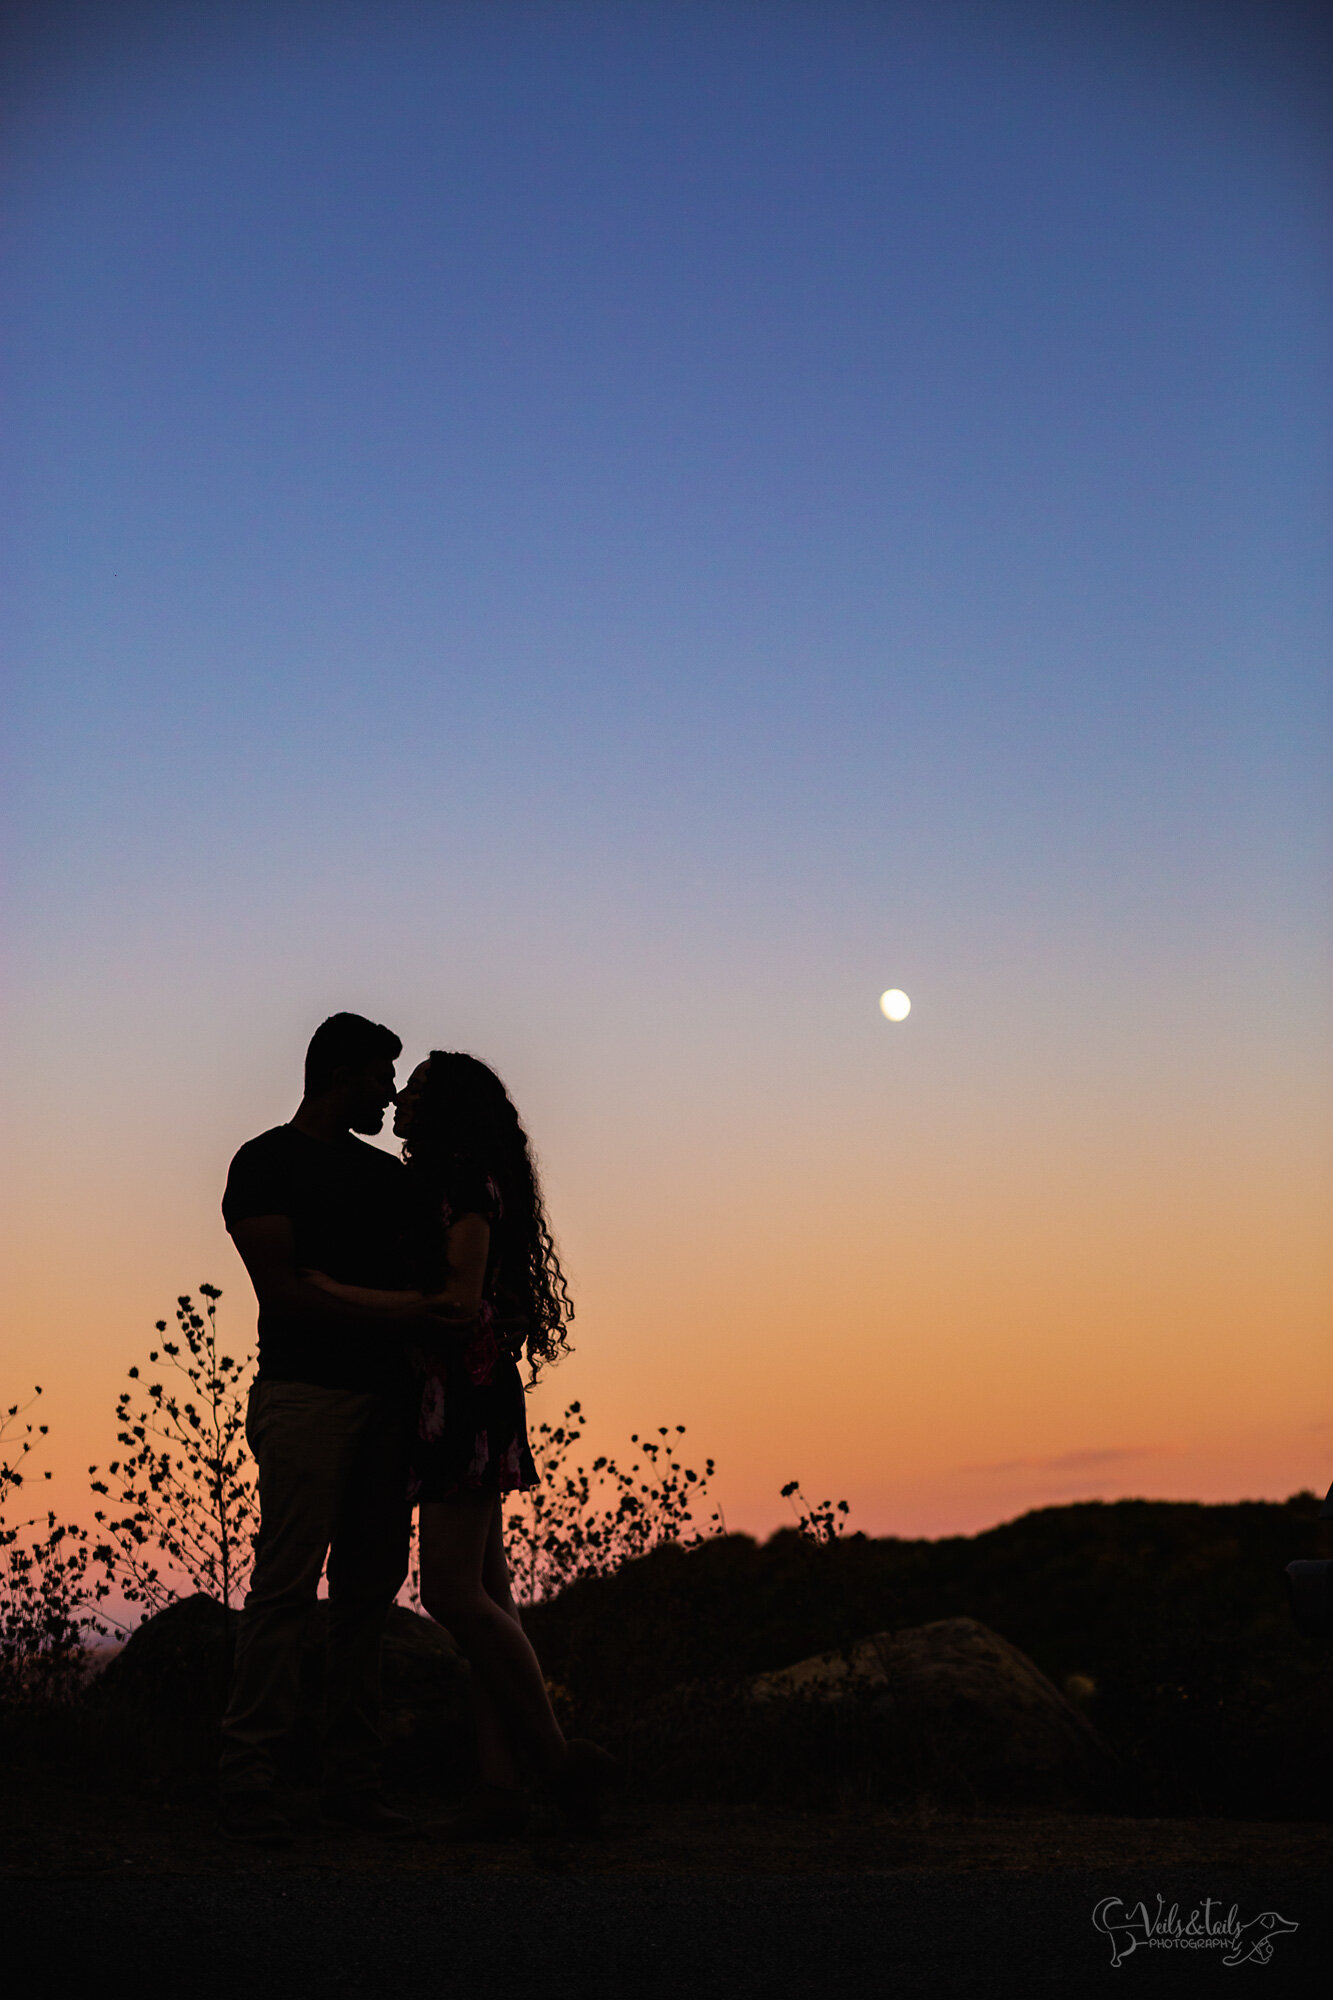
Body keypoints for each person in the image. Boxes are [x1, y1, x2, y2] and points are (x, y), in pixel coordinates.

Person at [304, 1050, 616, 1835]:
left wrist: (345, 1297)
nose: (399, 1099)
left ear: (441, 1108)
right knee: (488, 1597)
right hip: (456, 1397)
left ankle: (557, 1765)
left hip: (463, 1402)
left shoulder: (465, 1185)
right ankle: (500, 1786)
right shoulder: (456, 1180)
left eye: (413, 1090)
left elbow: (459, 1301)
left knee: (450, 1592)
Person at [217, 1012, 468, 1846]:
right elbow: (283, 1293)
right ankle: (248, 1780)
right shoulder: (265, 1164)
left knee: (365, 1596)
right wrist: (407, 1311)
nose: (389, 1093)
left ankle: (350, 1785)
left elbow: (433, 1283)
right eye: (378, 1077)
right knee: (285, 1588)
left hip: (386, 1405)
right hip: (303, 1398)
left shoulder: (386, 1180)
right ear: (337, 1074)